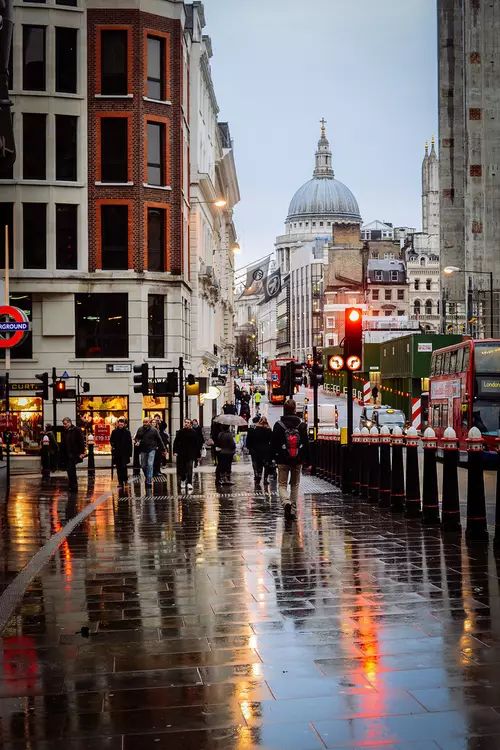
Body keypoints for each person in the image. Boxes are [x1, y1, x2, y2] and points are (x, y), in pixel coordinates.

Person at [272, 399, 310, 521]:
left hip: (282, 460)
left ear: (284, 409)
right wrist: (305, 460)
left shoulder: (278, 425)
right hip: (297, 459)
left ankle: (286, 502)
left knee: (282, 484)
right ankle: (293, 509)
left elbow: (274, 444)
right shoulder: (302, 425)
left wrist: (274, 458)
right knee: (295, 484)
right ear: (294, 410)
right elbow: (306, 444)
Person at [134, 418, 165, 487]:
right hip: (143, 449)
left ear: (149, 423)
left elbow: (159, 440)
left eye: (146, 422)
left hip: (152, 449)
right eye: (144, 422)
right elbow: (136, 438)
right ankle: (147, 476)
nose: (145, 423)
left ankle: (149, 480)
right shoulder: (140, 429)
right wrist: (137, 441)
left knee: (150, 464)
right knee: (143, 465)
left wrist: (163, 449)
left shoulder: (154, 430)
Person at [173, 419, 200, 491]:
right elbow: (176, 442)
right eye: (185, 422)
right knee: (182, 468)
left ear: (190, 424)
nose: (186, 424)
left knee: (190, 468)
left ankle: (189, 483)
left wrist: (198, 455)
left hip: (190, 454)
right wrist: (175, 451)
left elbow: (196, 444)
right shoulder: (180, 432)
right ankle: (183, 479)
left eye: (188, 423)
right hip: (181, 453)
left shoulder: (193, 432)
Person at [61, 417, 85, 492]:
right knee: (69, 470)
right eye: (63, 424)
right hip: (67, 454)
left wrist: (82, 452)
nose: (64, 425)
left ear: (69, 422)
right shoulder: (66, 431)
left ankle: (73, 486)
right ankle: (72, 485)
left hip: (74, 454)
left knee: (71, 470)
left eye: (65, 424)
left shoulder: (76, 430)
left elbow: (81, 441)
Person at [247, 416, 273, 485]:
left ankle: (258, 475)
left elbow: (252, 440)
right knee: (266, 465)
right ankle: (265, 479)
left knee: (259, 464)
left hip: (257, 449)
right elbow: (272, 441)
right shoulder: (269, 430)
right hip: (266, 450)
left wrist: (250, 448)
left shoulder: (255, 430)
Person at [110, 417, 133, 487]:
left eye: (122, 423)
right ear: (117, 424)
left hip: (125, 453)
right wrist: (113, 446)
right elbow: (111, 440)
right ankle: (120, 482)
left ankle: (125, 480)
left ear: (124, 424)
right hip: (117, 453)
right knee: (118, 468)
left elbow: (129, 443)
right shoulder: (114, 432)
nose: (121, 424)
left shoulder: (127, 432)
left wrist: (129, 453)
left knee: (124, 467)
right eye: (119, 423)